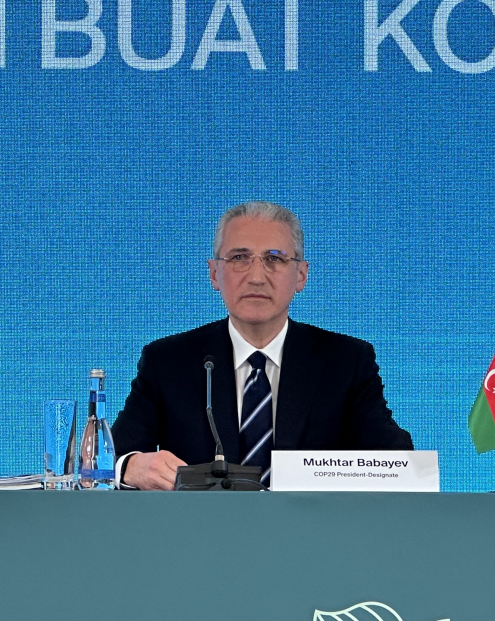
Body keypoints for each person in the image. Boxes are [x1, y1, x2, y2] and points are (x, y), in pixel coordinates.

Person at [112, 201, 412, 489]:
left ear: (302, 275)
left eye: (274, 259)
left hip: (312, 537)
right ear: (215, 273)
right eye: (239, 258)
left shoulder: (346, 362)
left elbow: (395, 462)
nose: (256, 277)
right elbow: (112, 456)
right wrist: (131, 466)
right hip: (198, 536)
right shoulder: (168, 361)